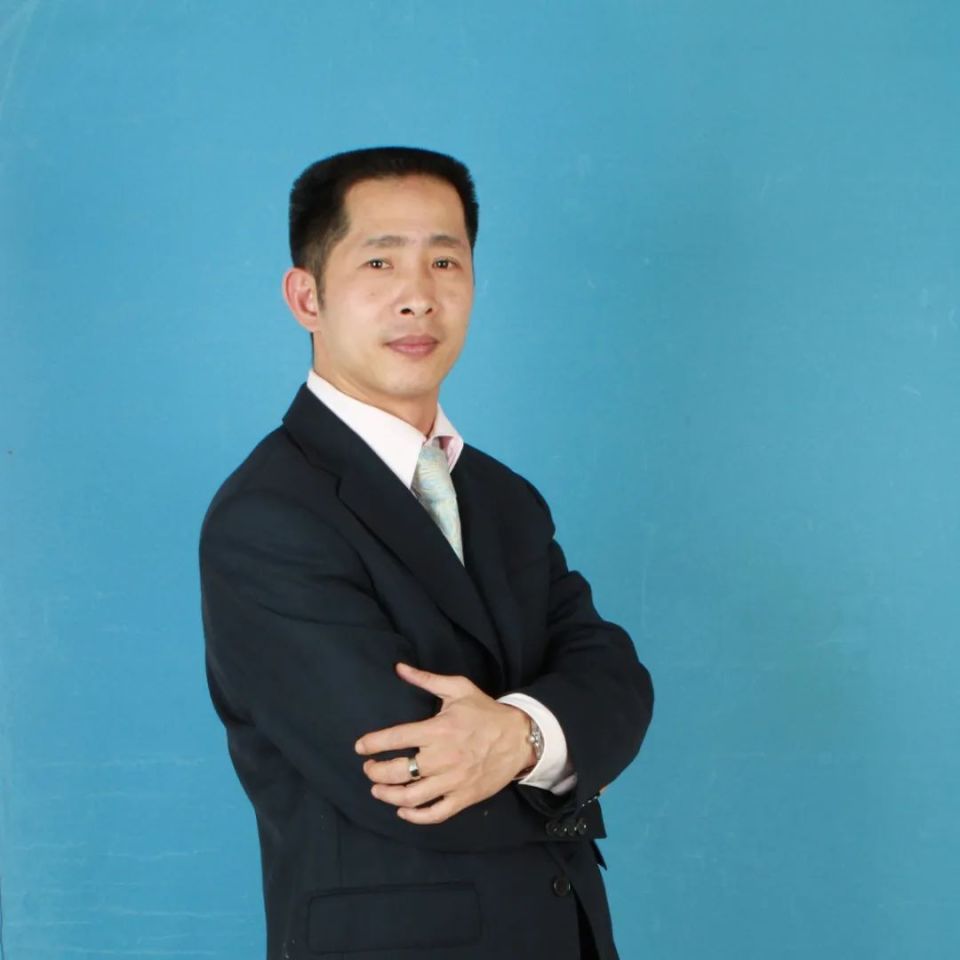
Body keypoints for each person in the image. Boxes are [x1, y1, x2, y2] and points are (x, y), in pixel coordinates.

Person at [199, 146, 653, 960]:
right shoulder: (268, 516)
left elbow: (616, 678)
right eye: (379, 262)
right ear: (307, 296)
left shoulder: (504, 497)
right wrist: (564, 742)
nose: (418, 295)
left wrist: (520, 738)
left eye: (445, 261)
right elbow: (406, 773)